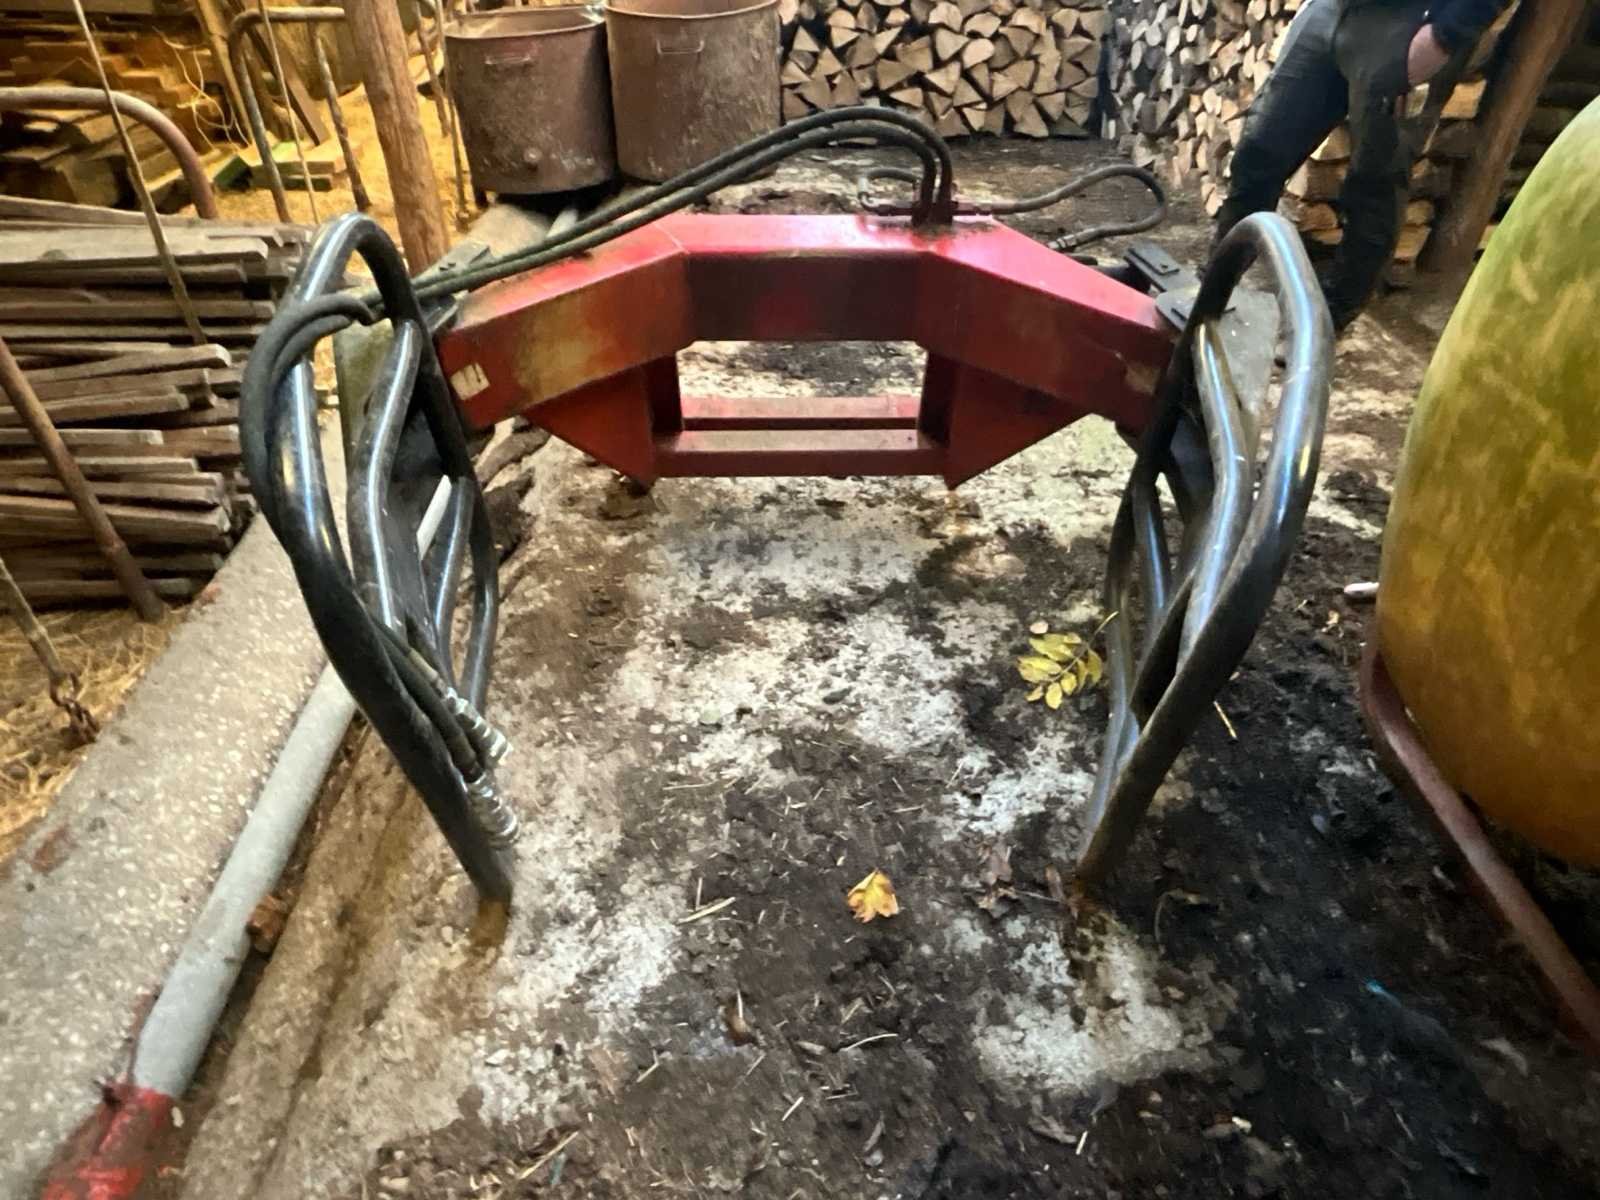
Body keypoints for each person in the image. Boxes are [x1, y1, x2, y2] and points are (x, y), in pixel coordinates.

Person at [1215, 0, 1504, 331]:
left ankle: (1326, 323)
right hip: (1331, 10)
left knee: (1374, 185)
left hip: (1408, 25)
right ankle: (1215, 285)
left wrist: (1446, 33)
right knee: (1259, 150)